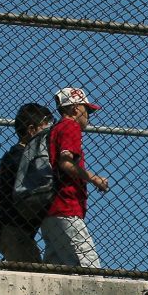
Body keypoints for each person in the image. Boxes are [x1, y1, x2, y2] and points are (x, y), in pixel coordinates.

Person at [40, 87, 111, 268]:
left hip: (50, 212)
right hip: (66, 208)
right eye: (87, 110)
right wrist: (94, 178)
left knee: (55, 269)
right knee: (90, 266)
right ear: (75, 109)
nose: (88, 116)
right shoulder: (70, 126)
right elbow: (66, 163)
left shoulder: (54, 130)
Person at [0, 102, 55, 263]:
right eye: (45, 129)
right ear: (31, 130)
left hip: (17, 229)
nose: (49, 136)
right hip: (13, 229)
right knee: (31, 271)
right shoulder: (20, 158)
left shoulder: (21, 156)